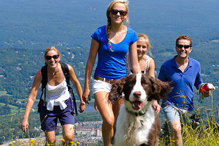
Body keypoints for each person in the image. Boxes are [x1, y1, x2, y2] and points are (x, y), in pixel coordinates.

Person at [82, 0, 141, 145]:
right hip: (101, 82)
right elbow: (90, 61)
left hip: (121, 84)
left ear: (126, 15)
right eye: (115, 11)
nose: (118, 14)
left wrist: (140, 85)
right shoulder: (99, 33)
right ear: (109, 13)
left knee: (117, 122)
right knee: (108, 120)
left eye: (122, 12)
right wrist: (86, 87)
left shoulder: (131, 34)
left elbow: (134, 64)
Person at [21, 46, 85, 145]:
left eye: (55, 57)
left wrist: (82, 101)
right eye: (49, 58)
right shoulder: (41, 74)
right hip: (47, 107)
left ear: (59, 57)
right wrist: (25, 118)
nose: (52, 60)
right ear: (45, 60)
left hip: (65, 105)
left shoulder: (67, 69)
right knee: (51, 142)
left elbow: (76, 84)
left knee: (69, 137)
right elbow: (32, 97)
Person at [158, 35, 211, 146]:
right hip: (170, 104)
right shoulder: (166, 66)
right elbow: (159, 87)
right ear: (176, 48)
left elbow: (198, 83)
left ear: (190, 49)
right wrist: (156, 103)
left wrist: (204, 90)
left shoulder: (196, 65)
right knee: (176, 129)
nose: (183, 49)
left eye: (186, 46)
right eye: (180, 46)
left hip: (188, 105)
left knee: (182, 133)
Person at [127, 33, 161, 113]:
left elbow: (152, 83)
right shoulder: (125, 59)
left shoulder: (149, 62)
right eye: (138, 46)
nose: (140, 49)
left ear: (147, 48)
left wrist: (154, 101)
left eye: (144, 47)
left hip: (141, 97)